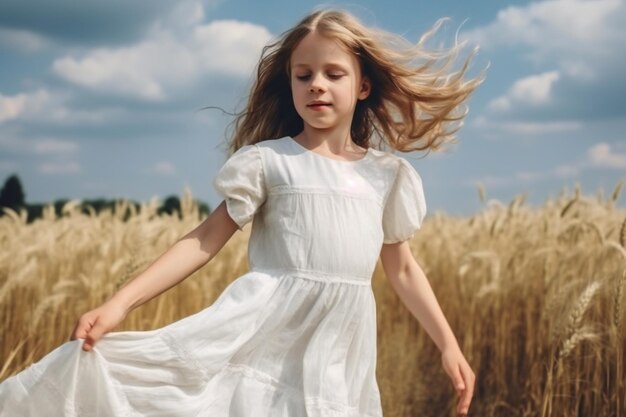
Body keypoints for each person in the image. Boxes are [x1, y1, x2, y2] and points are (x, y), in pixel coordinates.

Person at [0, 7, 485, 417]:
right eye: (303, 75)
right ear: (290, 84)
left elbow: (400, 267)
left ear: (362, 87)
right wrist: (118, 304)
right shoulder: (269, 161)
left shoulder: (387, 175)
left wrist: (447, 344)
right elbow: (204, 239)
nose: (317, 85)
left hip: (341, 351)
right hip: (261, 336)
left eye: (333, 74)